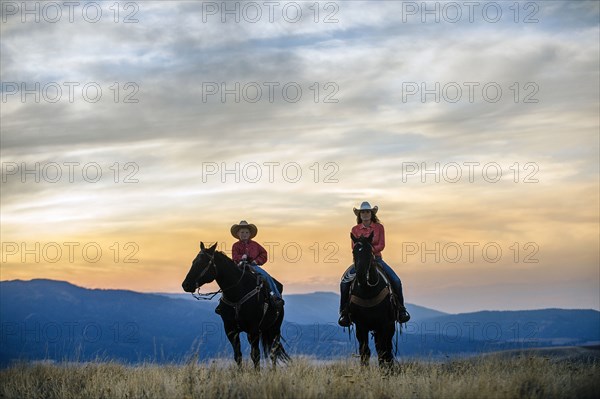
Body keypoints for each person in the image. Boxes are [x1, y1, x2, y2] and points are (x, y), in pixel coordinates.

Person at [338, 202, 410, 327]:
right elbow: (353, 247)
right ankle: (345, 312)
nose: (365, 214)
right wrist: (363, 253)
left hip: (376, 260)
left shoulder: (379, 227)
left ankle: (400, 309)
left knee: (396, 281)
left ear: (371, 214)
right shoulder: (355, 230)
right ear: (360, 214)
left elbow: (381, 245)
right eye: (363, 212)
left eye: (367, 212)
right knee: (344, 282)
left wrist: (369, 250)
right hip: (360, 262)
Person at [230, 220, 284, 308]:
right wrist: (241, 257)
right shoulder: (235, 245)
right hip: (239, 266)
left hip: (253, 266)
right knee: (229, 279)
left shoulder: (255, 245)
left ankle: (276, 297)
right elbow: (234, 256)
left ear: (250, 234)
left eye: (247, 232)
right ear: (238, 234)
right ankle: (224, 303)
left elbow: (264, 254)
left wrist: (257, 261)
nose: (244, 234)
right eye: (242, 232)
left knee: (266, 277)